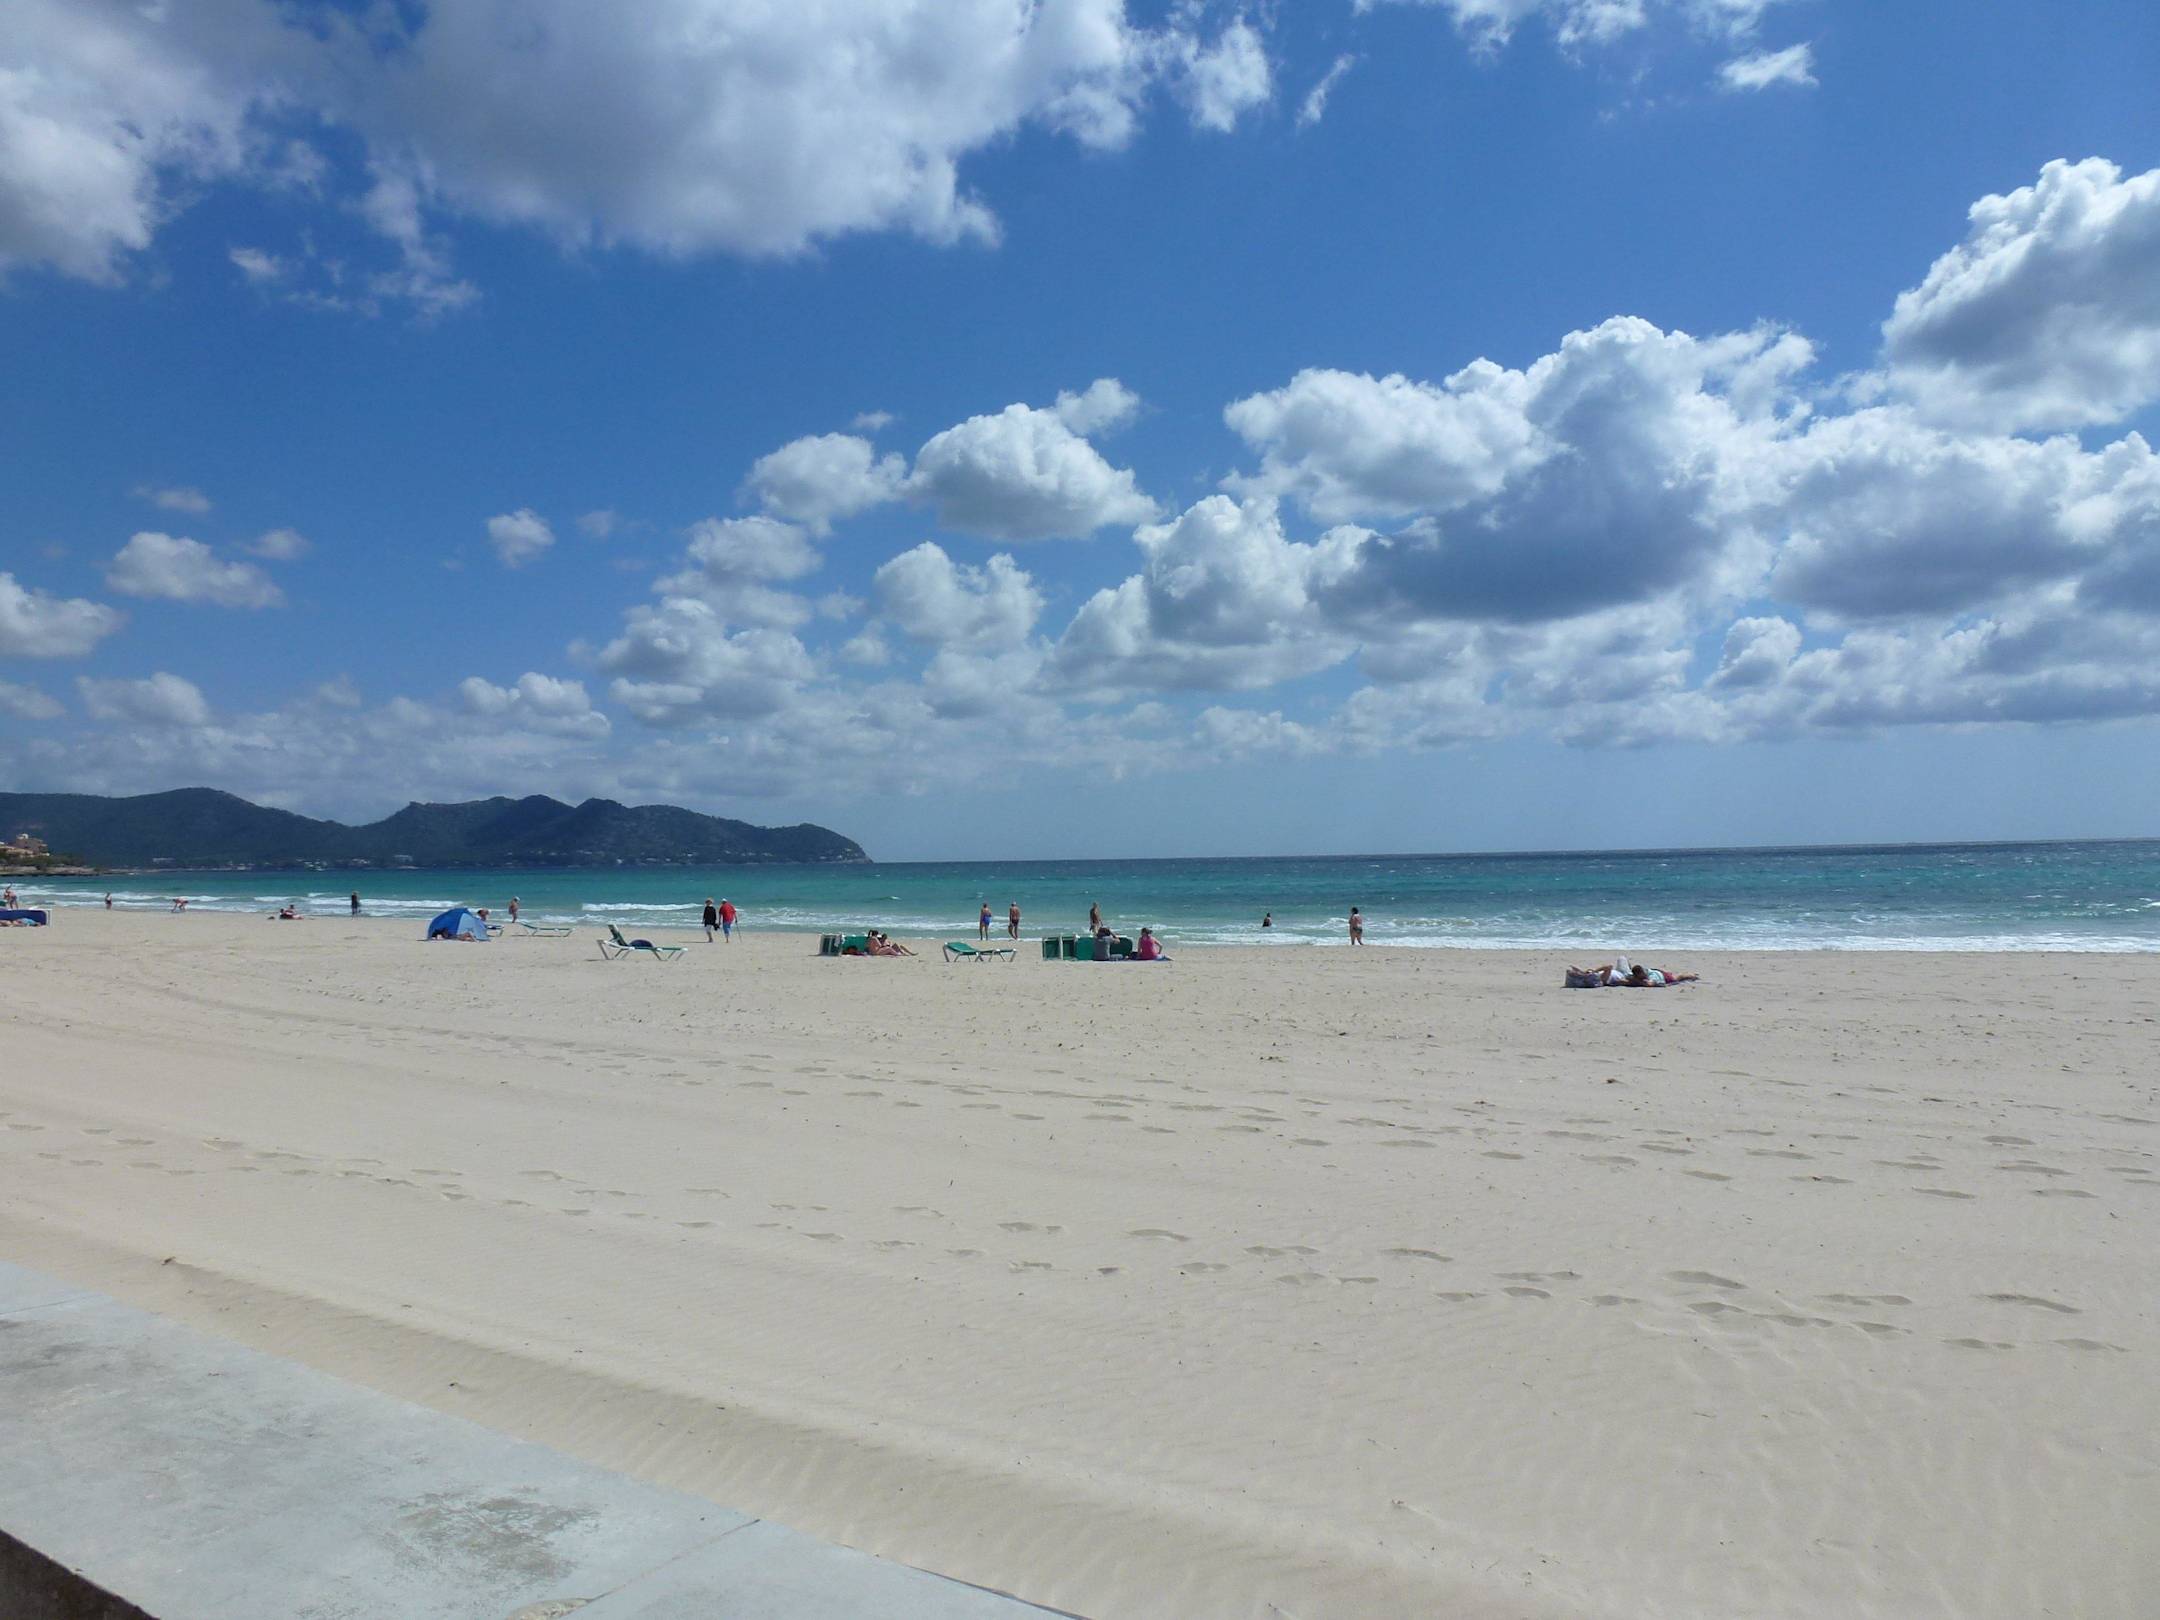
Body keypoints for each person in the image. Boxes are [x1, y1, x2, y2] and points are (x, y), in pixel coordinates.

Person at [1568, 960, 1699, 987]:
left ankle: (1693, 975)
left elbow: (1648, 983)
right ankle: (1693, 975)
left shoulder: (1598, 977)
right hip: (1660, 975)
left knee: (1679, 975)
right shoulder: (1602, 980)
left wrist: (1588, 972)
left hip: (1658, 974)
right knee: (1679, 976)